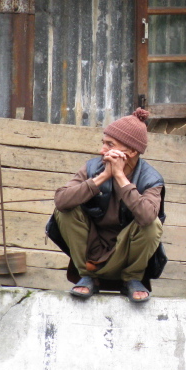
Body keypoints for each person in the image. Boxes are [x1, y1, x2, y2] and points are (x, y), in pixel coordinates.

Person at [46, 108, 166, 303]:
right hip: (92, 250)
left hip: (127, 252)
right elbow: (61, 200)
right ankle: (88, 276)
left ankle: (132, 279)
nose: (102, 150)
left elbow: (146, 217)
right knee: (66, 211)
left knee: (152, 224)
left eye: (110, 145)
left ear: (132, 151)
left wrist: (120, 177)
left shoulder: (151, 179)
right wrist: (102, 177)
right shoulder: (92, 168)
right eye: (103, 143)